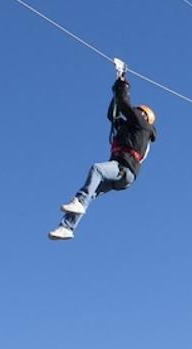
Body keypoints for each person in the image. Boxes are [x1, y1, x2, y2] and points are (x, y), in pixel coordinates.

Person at [48, 75, 157, 240]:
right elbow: (112, 115)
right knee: (91, 193)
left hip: (123, 169)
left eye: (139, 111)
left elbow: (124, 104)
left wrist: (123, 85)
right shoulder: (130, 128)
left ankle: (78, 202)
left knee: (97, 169)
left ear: (145, 117)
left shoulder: (142, 126)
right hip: (122, 174)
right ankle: (67, 228)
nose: (135, 112)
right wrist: (116, 90)